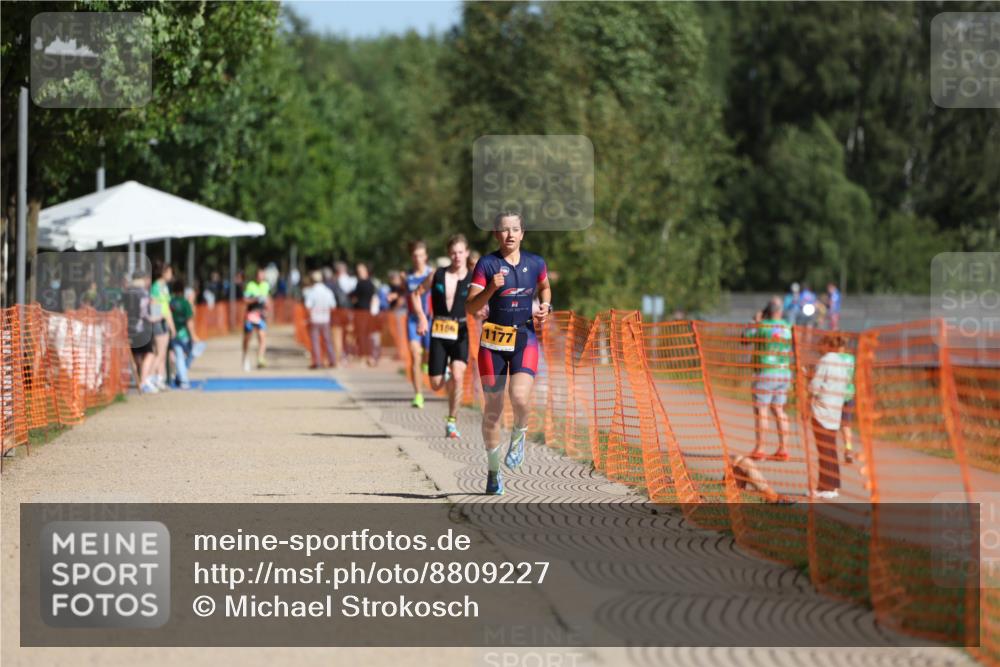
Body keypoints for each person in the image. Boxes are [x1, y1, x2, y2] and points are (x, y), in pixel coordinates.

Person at [466, 212, 552, 495]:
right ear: (496, 234)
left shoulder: (536, 262)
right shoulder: (487, 264)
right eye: (504, 230)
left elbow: (545, 288)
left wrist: (546, 306)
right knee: (492, 410)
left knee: (519, 397)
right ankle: (493, 472)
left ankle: (519, 434)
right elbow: (470, 307)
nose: (510, 234)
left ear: (523, 233)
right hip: (492, 342)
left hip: (524, 337)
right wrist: (491, 288)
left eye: (515, 229)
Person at [413, 234, 473, 438]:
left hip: (461, 332)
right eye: (453, 253)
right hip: (438, 332)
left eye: (460, 252)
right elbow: (416, 294)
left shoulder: (473, 278)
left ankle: (452, 422)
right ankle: (445, 376)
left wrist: (483, 311)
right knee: (436, 384)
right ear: (449, 254)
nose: (457, 256)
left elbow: (483, 301)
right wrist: (422, 318)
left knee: (458, 375)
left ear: (466, 253)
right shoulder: (437, 275)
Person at [745, 297, 792, 461]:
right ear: (780, 311)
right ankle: (783, 449)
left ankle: (760, 449)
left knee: (761, 410)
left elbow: (745, 338)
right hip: (783, 372)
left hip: (765, 372)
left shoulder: (762, 326)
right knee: (779, 409)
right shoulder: (787, 327)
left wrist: (754, 321)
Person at [808, 333, 853, 499]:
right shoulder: (842, 362)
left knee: (824, 450)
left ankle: (825, 487)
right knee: (831, 449)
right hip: (835, 409)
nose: (818, 347)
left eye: (820, 343)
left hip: (822, 410)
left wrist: (807, 382)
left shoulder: (825, 360)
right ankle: (832, 486)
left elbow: (815, 385)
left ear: (827, 344)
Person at [406, 241, 434, 408]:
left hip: (429, 319)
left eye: (421, 255)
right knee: (415, 355)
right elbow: (405, 295)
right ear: (412, 257)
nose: (418, 259)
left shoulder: (432, 273)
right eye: (415, 256)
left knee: (427, 354)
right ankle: (418, 395)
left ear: (426, 256)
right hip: (413, 320)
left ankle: (426, 361)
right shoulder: (407, 276)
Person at [124, 270, 158, 394]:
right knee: (150, 353)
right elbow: (145, 313)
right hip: (142, 328)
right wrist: (154, 317)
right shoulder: (143, 293)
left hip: (129, 329)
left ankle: (138, 380)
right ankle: (143, 382)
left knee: (136, 356)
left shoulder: (126, 293)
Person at [149, 260, 176, 391]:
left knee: (163, 353)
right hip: (159, 321)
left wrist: (172, 325)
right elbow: (154, 306)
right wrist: (159, 317)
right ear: (163, 273)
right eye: (170, 272)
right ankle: (148, 379)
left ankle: (159, 379)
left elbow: (167, 308)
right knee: (159, 353)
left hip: (165, 321)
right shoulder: (156, 287)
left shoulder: (165, 287)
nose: (171, 274)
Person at [303, 270, 336, 369]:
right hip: (325, 319)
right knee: (328, 340)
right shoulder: (328, 291)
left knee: (315, 341)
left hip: (315, 319)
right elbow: (333, 306)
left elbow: (308, 306)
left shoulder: (312, 292)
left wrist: (309, 317)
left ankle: (317, 362)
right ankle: (332, 360)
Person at [169, 278, 195, 389]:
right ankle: (183, 379)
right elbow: (189, 321)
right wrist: (193, 336)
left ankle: (179, 377)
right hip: (184, 334)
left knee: (178, 355)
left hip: (172, 333)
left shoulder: (170, 302)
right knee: (187, 355)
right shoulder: (185, 303)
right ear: (183, 290)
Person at [351, 262, 379, 367]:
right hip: (366, 312)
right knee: (365, 335)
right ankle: (368, 356)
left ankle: (366, 356)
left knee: (363, 335)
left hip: (363, 312)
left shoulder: (363, 283)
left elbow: (355, 297)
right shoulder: (370, 283)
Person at [242, 267, 270, 371]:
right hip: (250, 315)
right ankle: (245, 356)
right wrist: (255, 299)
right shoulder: (250, 285)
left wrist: (267, 309)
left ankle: (260, 359)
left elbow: (267, 299)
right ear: (256, 276)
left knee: (262, 337)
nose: (260, 277)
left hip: (260, 315)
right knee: (247, 338)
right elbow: (245, 300)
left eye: (262, 275)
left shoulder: (266, 285)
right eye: (259, 275)